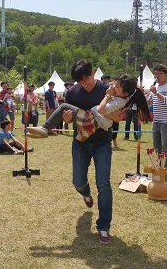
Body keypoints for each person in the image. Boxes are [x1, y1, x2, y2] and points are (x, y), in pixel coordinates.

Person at [54, 59, 120, 243]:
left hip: (102, 143)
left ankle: (104, 227)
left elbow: (118, 116)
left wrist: (104, 109)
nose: (84, 84)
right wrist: (67, 120)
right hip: (80, 142)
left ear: (93, 73)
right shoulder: (72, 93)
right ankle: (85, 193)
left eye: (86, 79)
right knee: (78, 181)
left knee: (104, 184)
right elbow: (68, 120)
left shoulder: (107, 90)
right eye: (80, 81)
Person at [26, 74, 150, 141]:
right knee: (66, 109)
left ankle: (45, 128)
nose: (113, 88)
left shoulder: (118, 101)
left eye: (117, 87)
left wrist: (107, 95)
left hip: (92, 120)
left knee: (63, 106)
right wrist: (114, 87)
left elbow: (102, 110)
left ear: (125, 93)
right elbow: (115, 89)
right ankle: (43, 130)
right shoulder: (121, 98)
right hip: (94, 123)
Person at [147, 64, 167, 168]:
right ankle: (159, 166)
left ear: (166, 74)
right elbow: (149, 103)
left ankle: (166, 168)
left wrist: (156, 93)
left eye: (159, 73)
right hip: (157, 121)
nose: (156, 76)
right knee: (156, 146)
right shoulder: (155, 88)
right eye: (155, 74)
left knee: (166, 146)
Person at [101, 75, 120, 147]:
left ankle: (114, 138)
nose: (104, 81)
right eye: (103, 80)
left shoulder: (114, 87)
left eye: (105, 80)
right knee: (106, 126)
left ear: (109, 80)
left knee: (115, 125)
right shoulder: (102, 88)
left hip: (114, 108)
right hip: (105, 109)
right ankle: (107, 141)